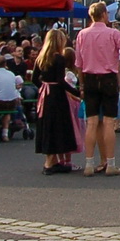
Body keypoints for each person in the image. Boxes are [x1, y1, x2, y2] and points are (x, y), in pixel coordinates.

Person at [75, 1, 120, 176]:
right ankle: (110, 164)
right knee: (109, 122)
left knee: (91, 122)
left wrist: (82, 84)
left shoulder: (82, 34)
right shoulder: (113, 33)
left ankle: (89, 164)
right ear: (103, 14)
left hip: (89, 78)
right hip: (108, 79)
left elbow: (79, 63)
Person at [32, 29, 78, 173]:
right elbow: (60, 81)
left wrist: (43, 87)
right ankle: (49, 164)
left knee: (47, 125)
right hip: (57, 96)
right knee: (58, 126)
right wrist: (77, 93)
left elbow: (34, 78)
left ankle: (52, 160)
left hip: (45, 95)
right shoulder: (59, 59)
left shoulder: (41, 57)